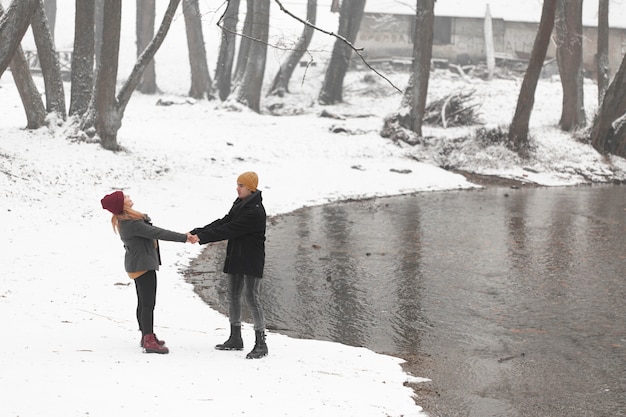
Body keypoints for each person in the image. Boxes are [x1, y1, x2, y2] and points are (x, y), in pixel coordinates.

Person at [101, 190, 198, 354]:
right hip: (142, 265)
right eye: (126, 197)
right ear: (121, 204)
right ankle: (148, 339)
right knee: (147, 303)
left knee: (143, 302)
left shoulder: (128, 220)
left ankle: (146, 334)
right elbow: (158, 233)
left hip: (138, 263)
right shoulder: (131, 223)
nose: (129, 198)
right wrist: (184, 237)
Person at [190, 171, 268, 359]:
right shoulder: (240, 203)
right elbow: (225, 221)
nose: (237, 188)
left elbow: (230, 229)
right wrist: (199, 231)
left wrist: (202, 237)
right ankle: (235, 338)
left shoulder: (255, 211)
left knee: (252, 297)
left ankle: (261, 343)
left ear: (250, 188)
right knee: (233, 296)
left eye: (241, 185)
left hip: (251, 259)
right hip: (236, 256)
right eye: (237, 184)